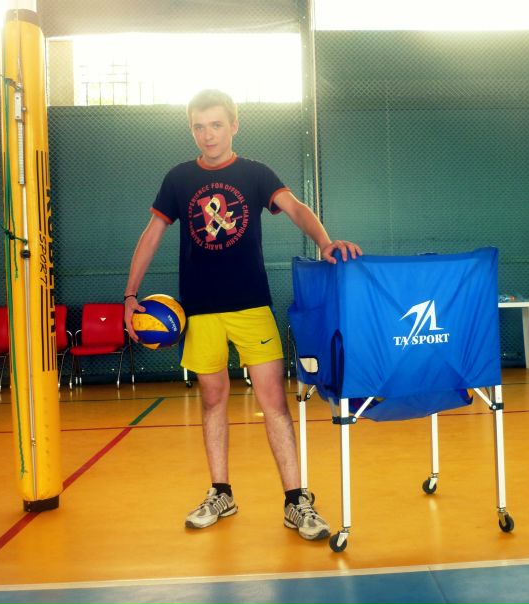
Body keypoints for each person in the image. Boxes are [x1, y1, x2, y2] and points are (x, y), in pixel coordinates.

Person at [123, 89, 361, 541]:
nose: (207, 135)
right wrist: (130, 294)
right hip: (200, 310)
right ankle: (221, 493)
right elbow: (152, 234)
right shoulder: (178, 179)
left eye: (216, 125)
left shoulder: (254, 173)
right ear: (191, 130)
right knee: (213, 400)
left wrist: (324, 242)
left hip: (251, 305)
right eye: (198, 127)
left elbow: (295, 207)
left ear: (234, 125)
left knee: (274, 402)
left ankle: (296, 501)